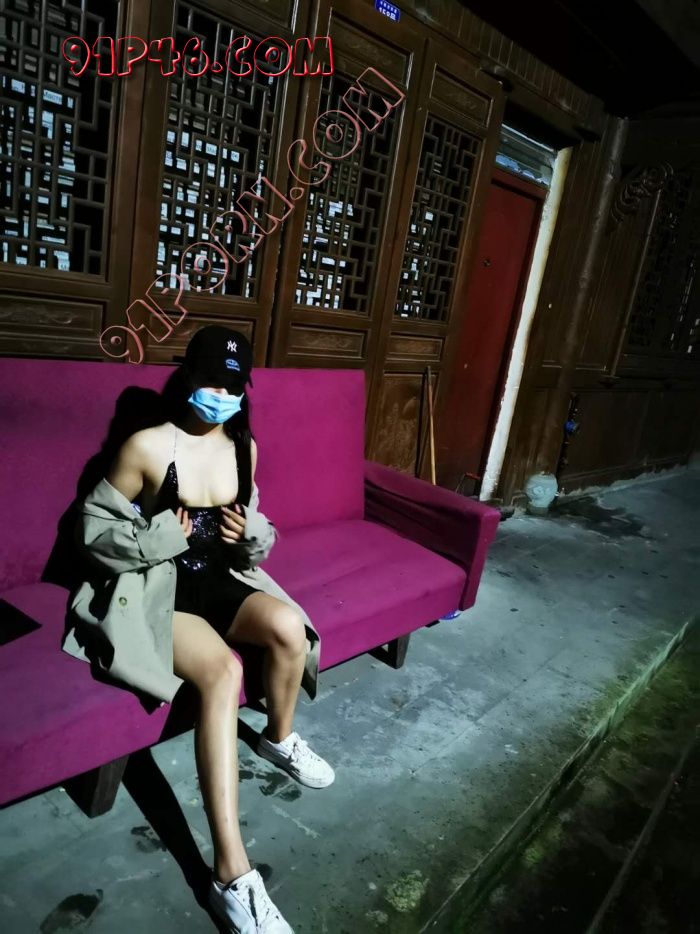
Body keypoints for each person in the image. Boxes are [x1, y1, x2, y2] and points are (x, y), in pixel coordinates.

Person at [71, 325, 333, 933]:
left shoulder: (244, 447)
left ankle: (279, 738)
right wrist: (161, 535)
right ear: (188, 376)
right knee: (222, 673)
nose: (222, 394)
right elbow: (92, 532)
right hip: (160, 587)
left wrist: (256, 536)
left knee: (290, 627)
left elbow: (253, 524)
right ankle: (231, 875)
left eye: (234, 385)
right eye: (212, 380)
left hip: (221, 580)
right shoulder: (146, 446)